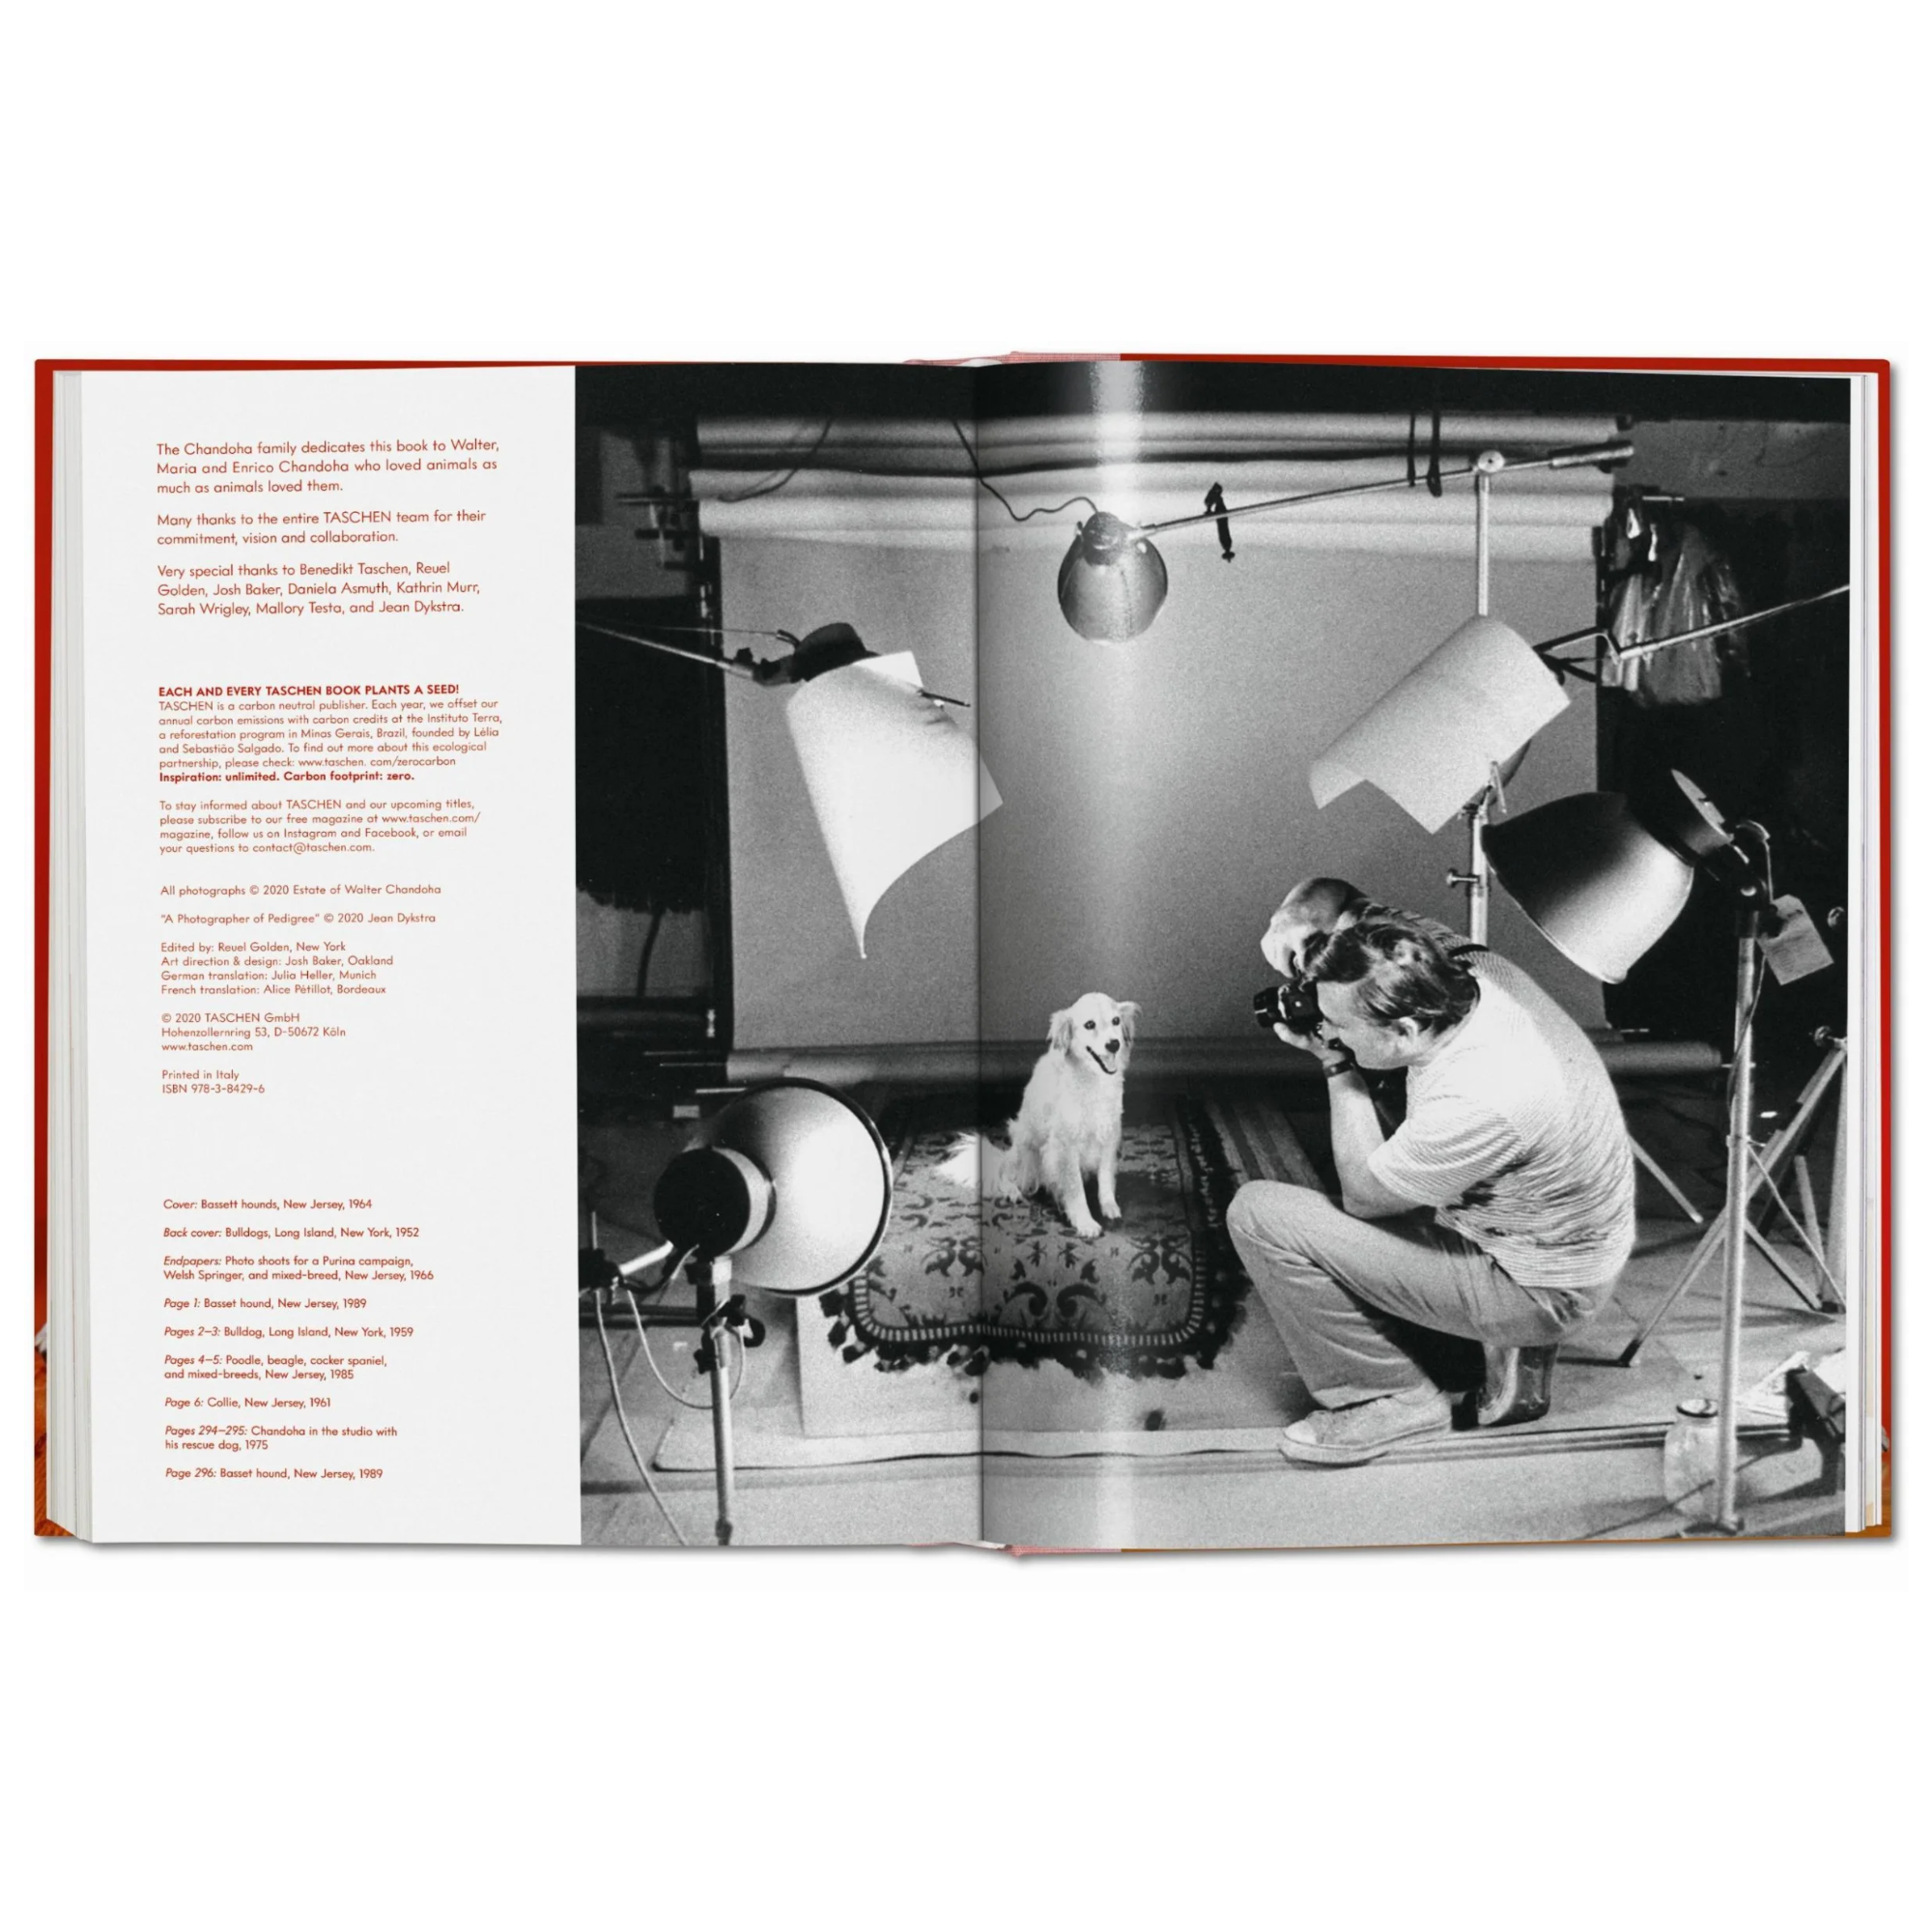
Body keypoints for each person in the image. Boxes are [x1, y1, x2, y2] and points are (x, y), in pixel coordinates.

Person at [1230, 897, 1635, 1465]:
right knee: (1375, 1130)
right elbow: (1342, 898)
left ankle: (1391, 1398)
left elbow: (1365, 1198)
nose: (1326, 1028)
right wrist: (1297, 919)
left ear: (1404, 1028)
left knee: (1259, 1213)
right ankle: (1493, 1343)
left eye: (1338, 1025)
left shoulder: (1482, 1096)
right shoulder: (1466, 966)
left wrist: (1336, 1064)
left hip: (1542, 1289)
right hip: (1551, 1235)